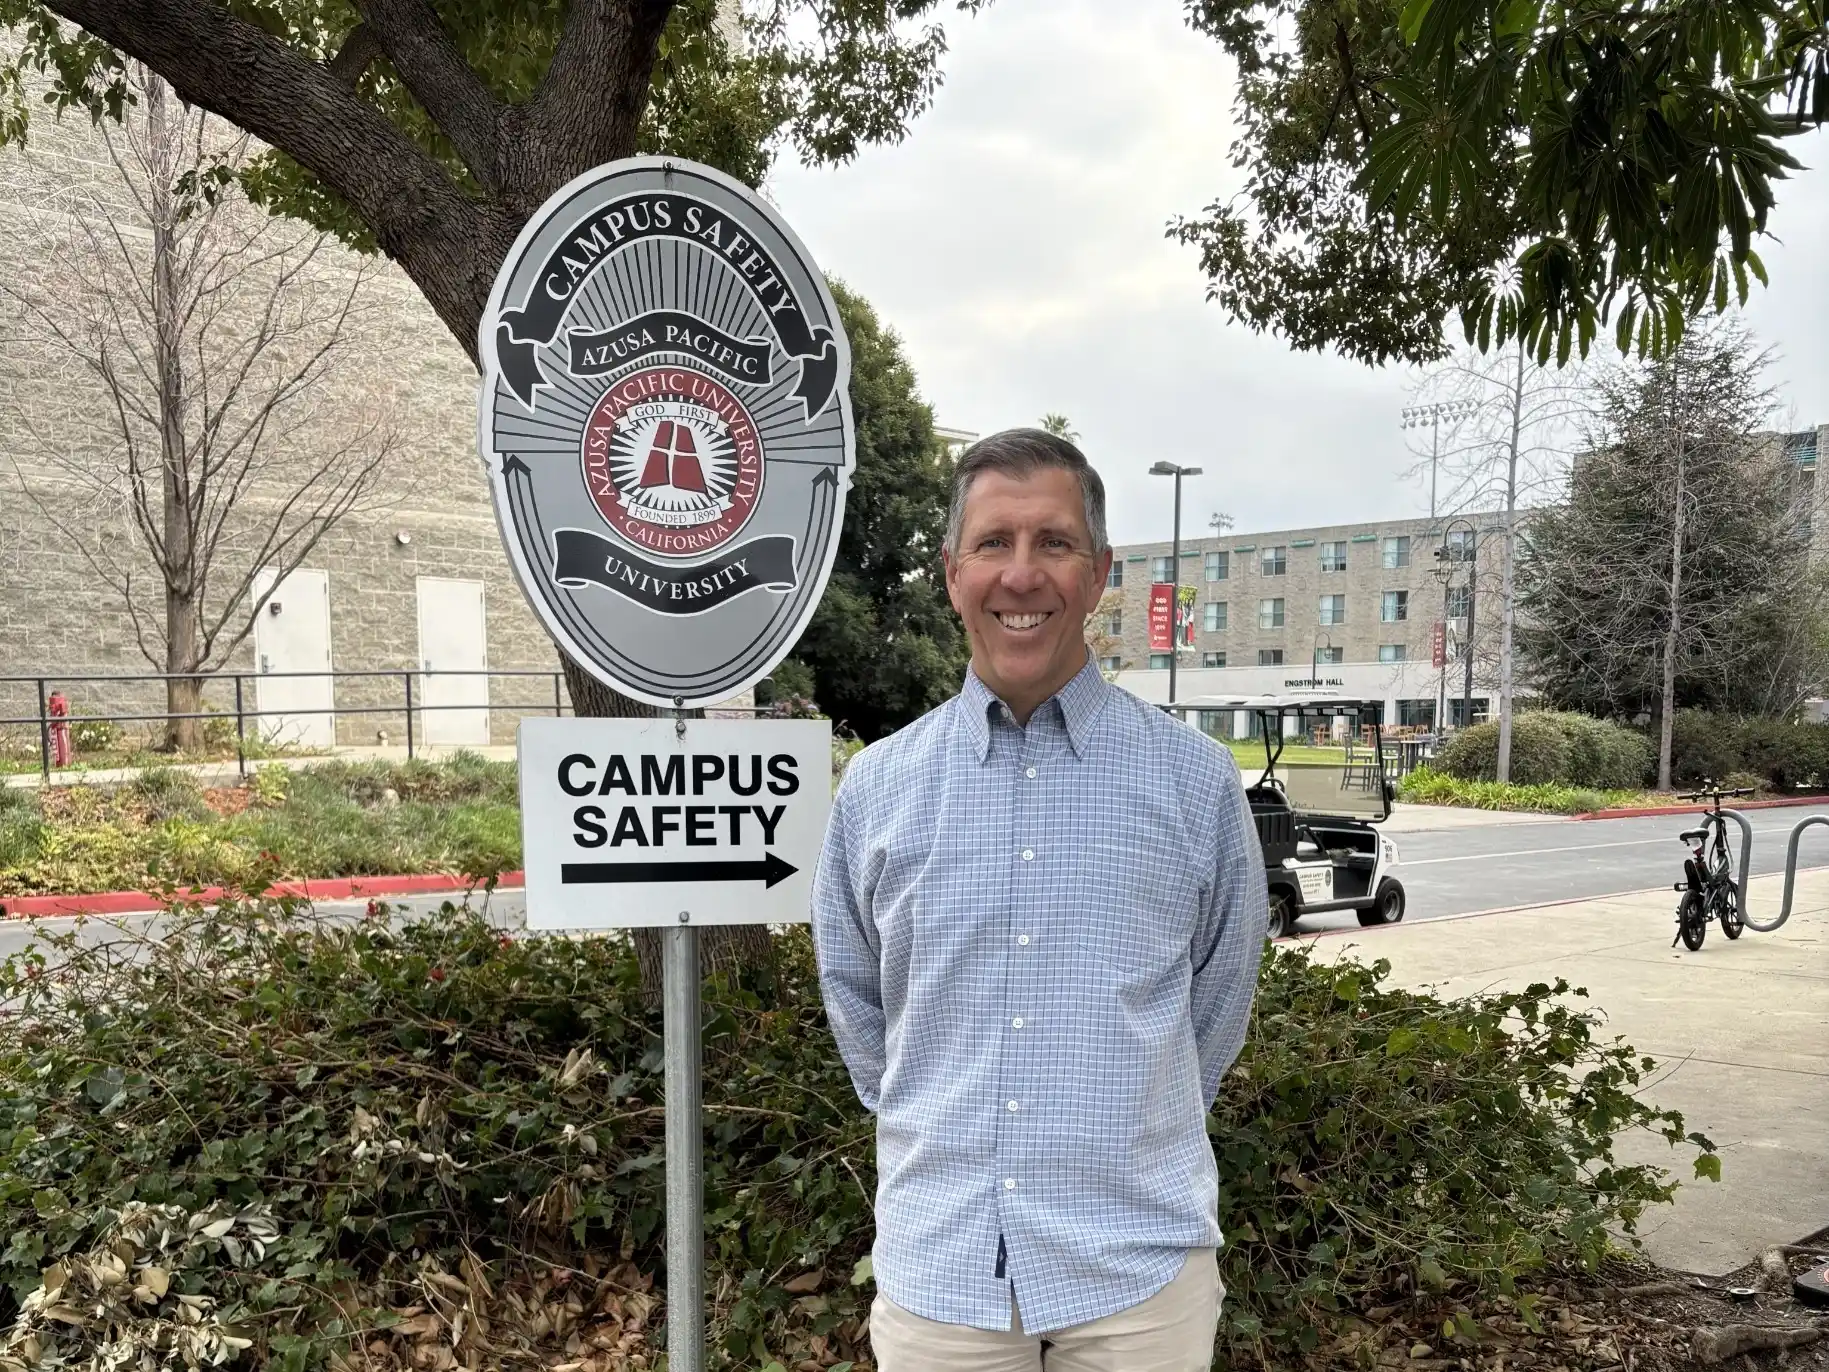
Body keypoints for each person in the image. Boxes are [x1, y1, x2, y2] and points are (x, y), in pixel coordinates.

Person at [811, 428, 1269, 1371]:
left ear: (1098, 572)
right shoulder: (876, 789)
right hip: (943, 1278)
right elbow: (857, 1004)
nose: (1022, 575)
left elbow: (1217, 1003)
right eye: (993, 543)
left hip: (1139, 1280)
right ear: (951, 572)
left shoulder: (1195, 783)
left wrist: (1134, 1124)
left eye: (1053, 543)